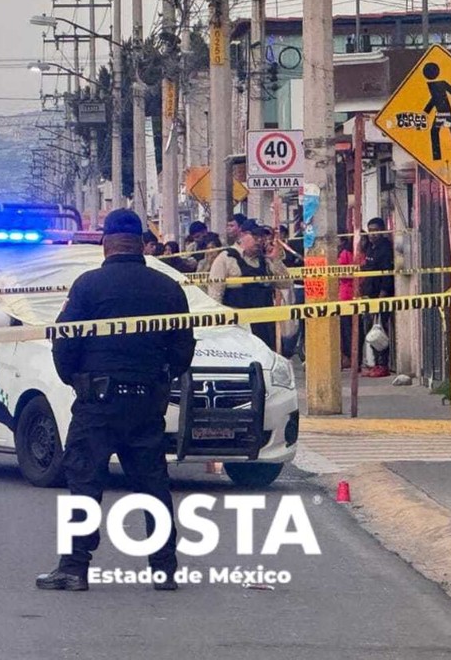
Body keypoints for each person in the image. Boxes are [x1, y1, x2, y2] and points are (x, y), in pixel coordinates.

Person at [36, 209, 195, 592]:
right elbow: (182, 350)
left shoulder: (88, 286)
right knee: (153, 484)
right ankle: (164, 569)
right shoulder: (168, 288)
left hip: (97, 403)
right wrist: (158, 378)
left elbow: (66, 342)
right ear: (142, 244)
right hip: (145, 403)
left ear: (105, 244)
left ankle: (74, 568)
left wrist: (76, 381)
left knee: (84, 482)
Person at [207, 220, 288, 349]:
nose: (260, 240)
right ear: (242, 235)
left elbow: (285, 283)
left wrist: (275, 259)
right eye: (255, 236)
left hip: (265, 327)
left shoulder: (265, 260)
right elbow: (215, 296)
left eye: (263, 236)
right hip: (239, 329)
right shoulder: (226, 258)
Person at [361, 217, 395, 377]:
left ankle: (383, 364)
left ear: (383, 231)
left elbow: (387, 274)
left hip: (381, 296)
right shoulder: (370, 248)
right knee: (371, 332)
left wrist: (383, 294)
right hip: (369, 295)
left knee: (381, 331)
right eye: (370, 231)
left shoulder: (385, 249)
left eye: (376, 231)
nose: (373, 234)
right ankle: (374, 363)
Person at [338, 237, 356, 369]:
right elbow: (340, 273)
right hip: (346, 297)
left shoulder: (365, 253)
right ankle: (349, 357)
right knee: (347, 330)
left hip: (363, 296)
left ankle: (356, 359)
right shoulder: (346, 254)